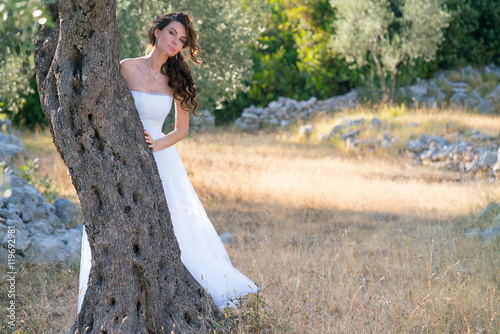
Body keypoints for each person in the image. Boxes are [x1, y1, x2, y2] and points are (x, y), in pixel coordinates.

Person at [78, 12, 258, 312]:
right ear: (157, 32)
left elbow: (181, 129)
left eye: (182, 40)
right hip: (121, 157)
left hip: (160, 159)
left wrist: (157, 144)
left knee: (167, 224)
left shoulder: (175, 80)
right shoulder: (125, 68)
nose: (176, 42)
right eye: (172, 33)